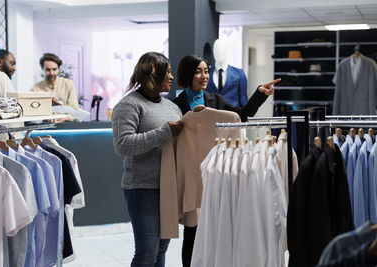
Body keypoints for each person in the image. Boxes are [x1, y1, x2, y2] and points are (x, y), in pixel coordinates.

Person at [172, 54, 280, 267]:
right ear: (187, 75)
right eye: (198, 71)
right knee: (192, 231)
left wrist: (259, 95)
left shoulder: (215, 100)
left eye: (206, 71)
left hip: (216, 170)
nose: (204, 76)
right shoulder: (176, 106)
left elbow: (241, 116)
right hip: (191, 172)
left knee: (216, 227)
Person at [111, 52, 184, 267]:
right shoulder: (129, 105)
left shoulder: (172, 107)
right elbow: (122, 145)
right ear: (153, 73)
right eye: (167, 72)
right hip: (143, 188)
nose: (171, 77)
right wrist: (163, 133)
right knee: (147, 253)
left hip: (169, 187)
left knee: (161, 251)